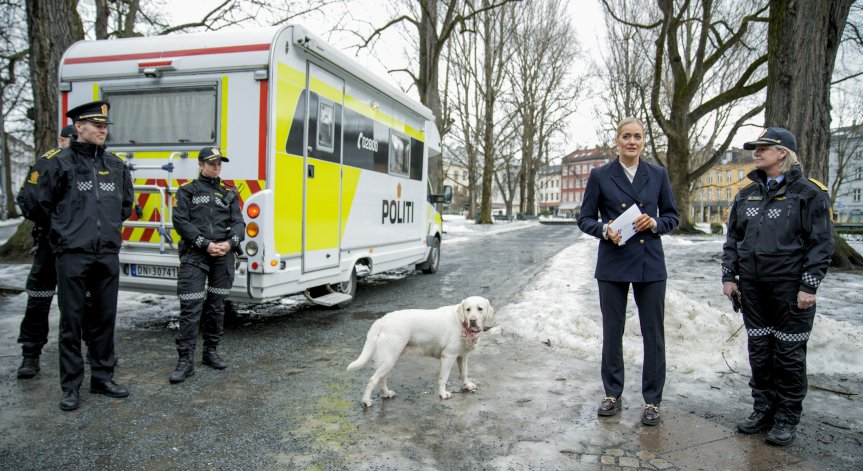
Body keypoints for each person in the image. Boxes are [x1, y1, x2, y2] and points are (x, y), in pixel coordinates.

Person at [721, 127, 834, 446]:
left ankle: (786, 418)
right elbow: (733, 239)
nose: (756, 152)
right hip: (753, 290)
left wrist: (809, 286)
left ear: (783, 152)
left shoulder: (810, 193)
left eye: (763, 147)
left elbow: (822, 244)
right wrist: (729, 277)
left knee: (788, 356)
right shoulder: (746, 194)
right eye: (755, 148)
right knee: (760, 352)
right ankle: (763, 410)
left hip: (790, 291)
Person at [577, 117, 679, 426]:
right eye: (626, 136)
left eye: (637, 137)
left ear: (644, 142)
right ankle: (612, 394)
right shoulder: (600, 175)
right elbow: (584, 219)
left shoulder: (658, 174)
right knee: (612, 332)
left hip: (650, 262)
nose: (631, 141)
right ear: (617, 141)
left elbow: (673, 217)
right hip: (613, 261)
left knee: (653, 334)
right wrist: (604, 229)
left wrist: (656, 223)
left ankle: (652, 400)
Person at [33, 101, 134, 411]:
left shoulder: (116, 165)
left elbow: (125, 206)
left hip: (105, 254)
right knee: (72, 321)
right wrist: (65, 233)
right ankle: (71, 387)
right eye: (96, 125)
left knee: (104, 320)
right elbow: (40, 205)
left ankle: (102, 377)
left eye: (105, 126)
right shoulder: (58, 163)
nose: (103, 130)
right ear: (79, 127)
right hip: (72, 254)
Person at [169, 146, 244, 383]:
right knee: (191, 308)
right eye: (212, 163)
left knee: (217, 306)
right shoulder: (187, 191)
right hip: (195, 255)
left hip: (222, 256)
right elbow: (181, 222)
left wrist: (230, 243)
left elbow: (239, 224)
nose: (216, 167)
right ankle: (185, 361)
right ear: (201, 165)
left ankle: (210, 352)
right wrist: (205, 244)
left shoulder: (228, 192)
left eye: (219, 163)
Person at [15, 125, 77, 379]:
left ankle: (96, 352)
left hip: (78, 247)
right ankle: (30, 354)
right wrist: (56, 226)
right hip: (50, 244)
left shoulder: (89, 164)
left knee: (84, 302)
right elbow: (28, 201)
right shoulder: (47, 163)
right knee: (39, 299)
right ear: (62, 140)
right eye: (72, 140)